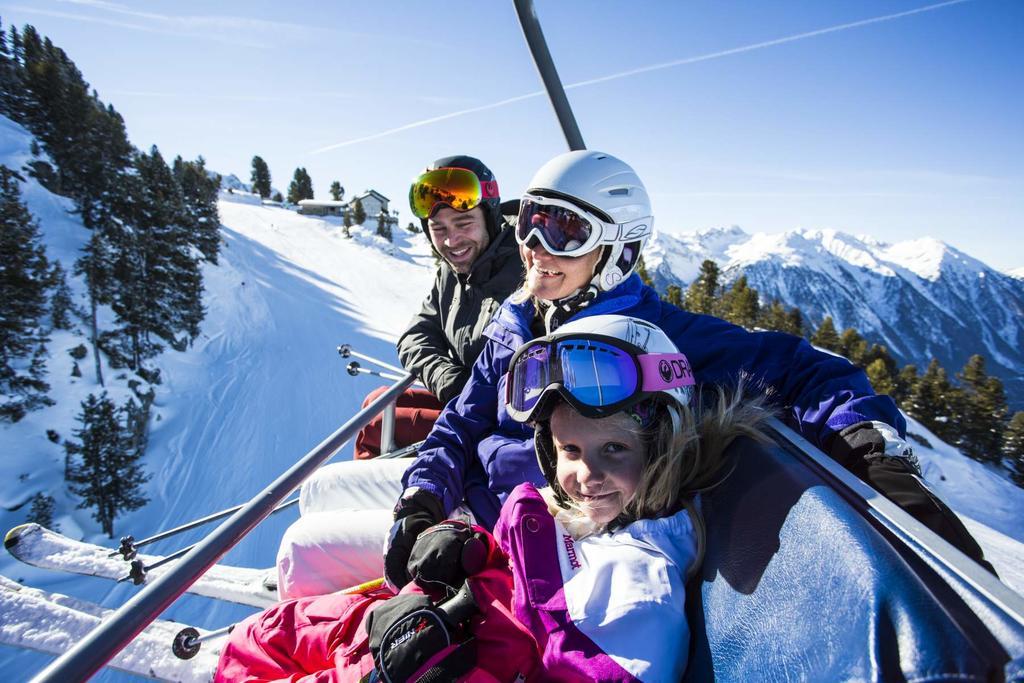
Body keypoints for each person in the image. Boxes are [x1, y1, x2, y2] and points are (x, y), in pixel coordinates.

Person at [216, 316, 772, 681]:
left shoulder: (637, 591)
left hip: (431, 658)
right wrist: (476, 549)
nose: (586, 475)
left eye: (615, 449)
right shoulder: (583, 517)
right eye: (570, 450)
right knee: (259, 638)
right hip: (423, 618)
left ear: (665, 447)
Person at [353, 156, 523, 459]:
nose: (451, 240)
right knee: (376, 403)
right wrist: (450, 381)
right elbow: (414, 337)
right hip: (466, 403)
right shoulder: (452, 273)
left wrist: (474, 397)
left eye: (464, 223)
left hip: (505, 423)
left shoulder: (524, 268)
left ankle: (397, 501)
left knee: (376, 428)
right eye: (438, 228)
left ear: (490, 217)